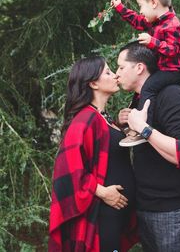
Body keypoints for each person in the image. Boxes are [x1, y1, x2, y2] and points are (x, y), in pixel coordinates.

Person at [116, 42, 180, 252]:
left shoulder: (171, 95)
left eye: (120, 67)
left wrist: (144, 128)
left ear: (139, 67)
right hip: (146, 209)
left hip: (173, 213)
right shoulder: (139, 100)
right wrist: (124, 123)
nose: (117, 74)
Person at [48, 56, 138, 252]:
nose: (115, 75)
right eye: (108, 72)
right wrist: (102, 192)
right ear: (93, 83)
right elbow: (67, 172)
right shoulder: (84, 119)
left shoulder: (102, 118)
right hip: (101, 216)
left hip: (114, 216)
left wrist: (121, 126)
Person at [111, 0, 180, 147]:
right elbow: (137, 20)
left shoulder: (173, 25)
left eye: (141, 6)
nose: (140, 11)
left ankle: (144, 126)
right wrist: (120, 8)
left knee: (148, 87)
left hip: (176, 70)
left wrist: (152, 42)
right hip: (164, 69)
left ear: (153, 2)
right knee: (141, 91)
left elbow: (174, 50)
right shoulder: (155, 22)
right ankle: (130, 123)